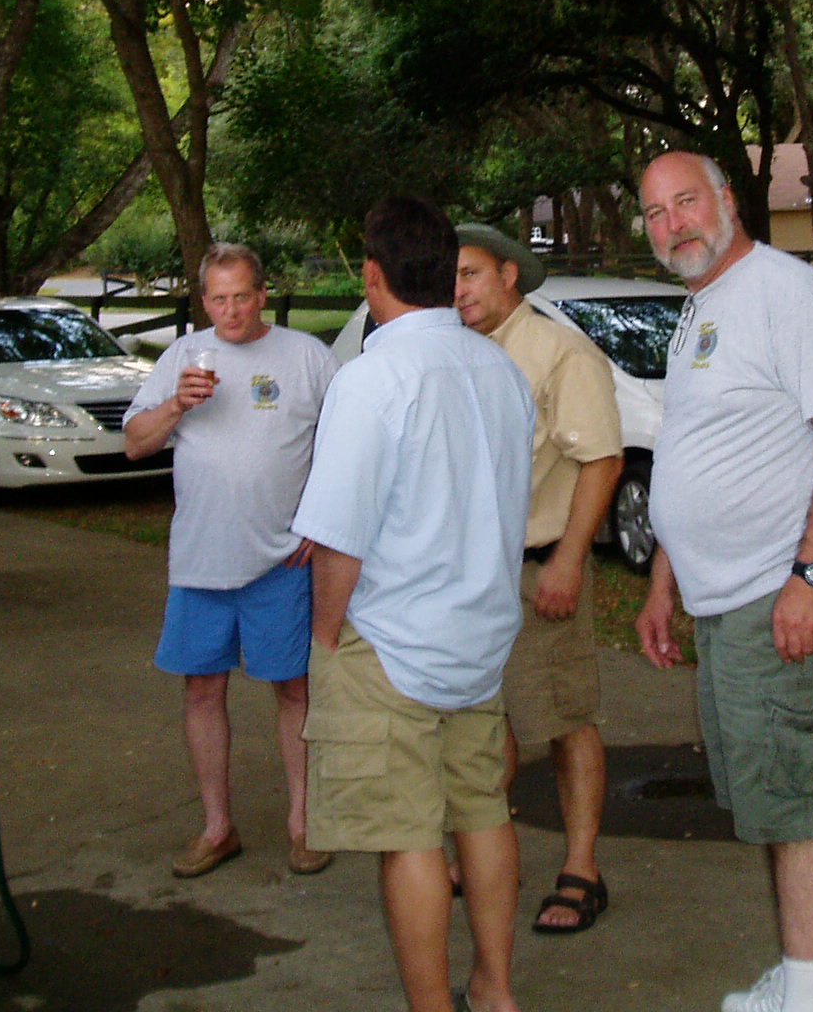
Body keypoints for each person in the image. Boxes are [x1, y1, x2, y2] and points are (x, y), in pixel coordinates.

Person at [632, 152, 813, 1012]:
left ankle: (811, 1000)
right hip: (726, 602)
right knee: (774, 800)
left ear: (728, 201)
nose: (674, 224)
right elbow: (694, 448)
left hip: (779, 596)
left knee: (801, 805)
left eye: (687, 202)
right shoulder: (703, 305)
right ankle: (801, 975)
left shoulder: (788, 294)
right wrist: (664, 580)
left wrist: (810, 578)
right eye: (656, 213)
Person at [293, 197, 535, 1012]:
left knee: (406, 840)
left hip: (391, 644)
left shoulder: (371, 380)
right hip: (479, 639)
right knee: (483, 813)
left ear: (373, 276)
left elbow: (338, 542)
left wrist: (326, 639)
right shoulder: (499, 370)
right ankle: (495, 988)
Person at [123, 243, 338, 879]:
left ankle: (304, 823)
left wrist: (323, 521)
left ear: (263, 294)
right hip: (200, 560)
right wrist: (175, 406)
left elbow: (347, 445)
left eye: (242, 296)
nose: (231, 310)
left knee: (294, 690)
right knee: (201, 689)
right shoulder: (182, 358)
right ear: (203, 301)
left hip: (282, 560)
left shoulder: (307, 357)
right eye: (218, 299)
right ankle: (218, 828)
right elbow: (134, 444)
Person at [452, 222, 622, 935]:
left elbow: (602, 459)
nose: (457, 290)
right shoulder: (458, 352)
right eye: (449, 277)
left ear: (508, 274)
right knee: (481, 723)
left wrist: (568, 561)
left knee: (562, 718)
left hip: (536, 567)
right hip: (467, 578)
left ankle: (582, 868)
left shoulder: (559, 352)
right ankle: (484, 853)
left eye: (470, 273)